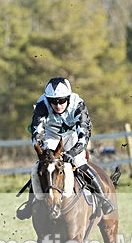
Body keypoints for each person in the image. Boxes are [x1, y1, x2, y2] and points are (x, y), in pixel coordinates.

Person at [16, 77, 115, 220]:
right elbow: (37, 133)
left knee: (80, 162)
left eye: (62, 100)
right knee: (41, 166)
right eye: (53, 101)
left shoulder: (78, 104)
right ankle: (30, 205)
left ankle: (103, 198)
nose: (57, 105)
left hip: (73, 135)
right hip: (52, 135)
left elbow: (84, 135)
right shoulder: (42, 105)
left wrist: (72, 153)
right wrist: (44, 152)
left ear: (68, 97)